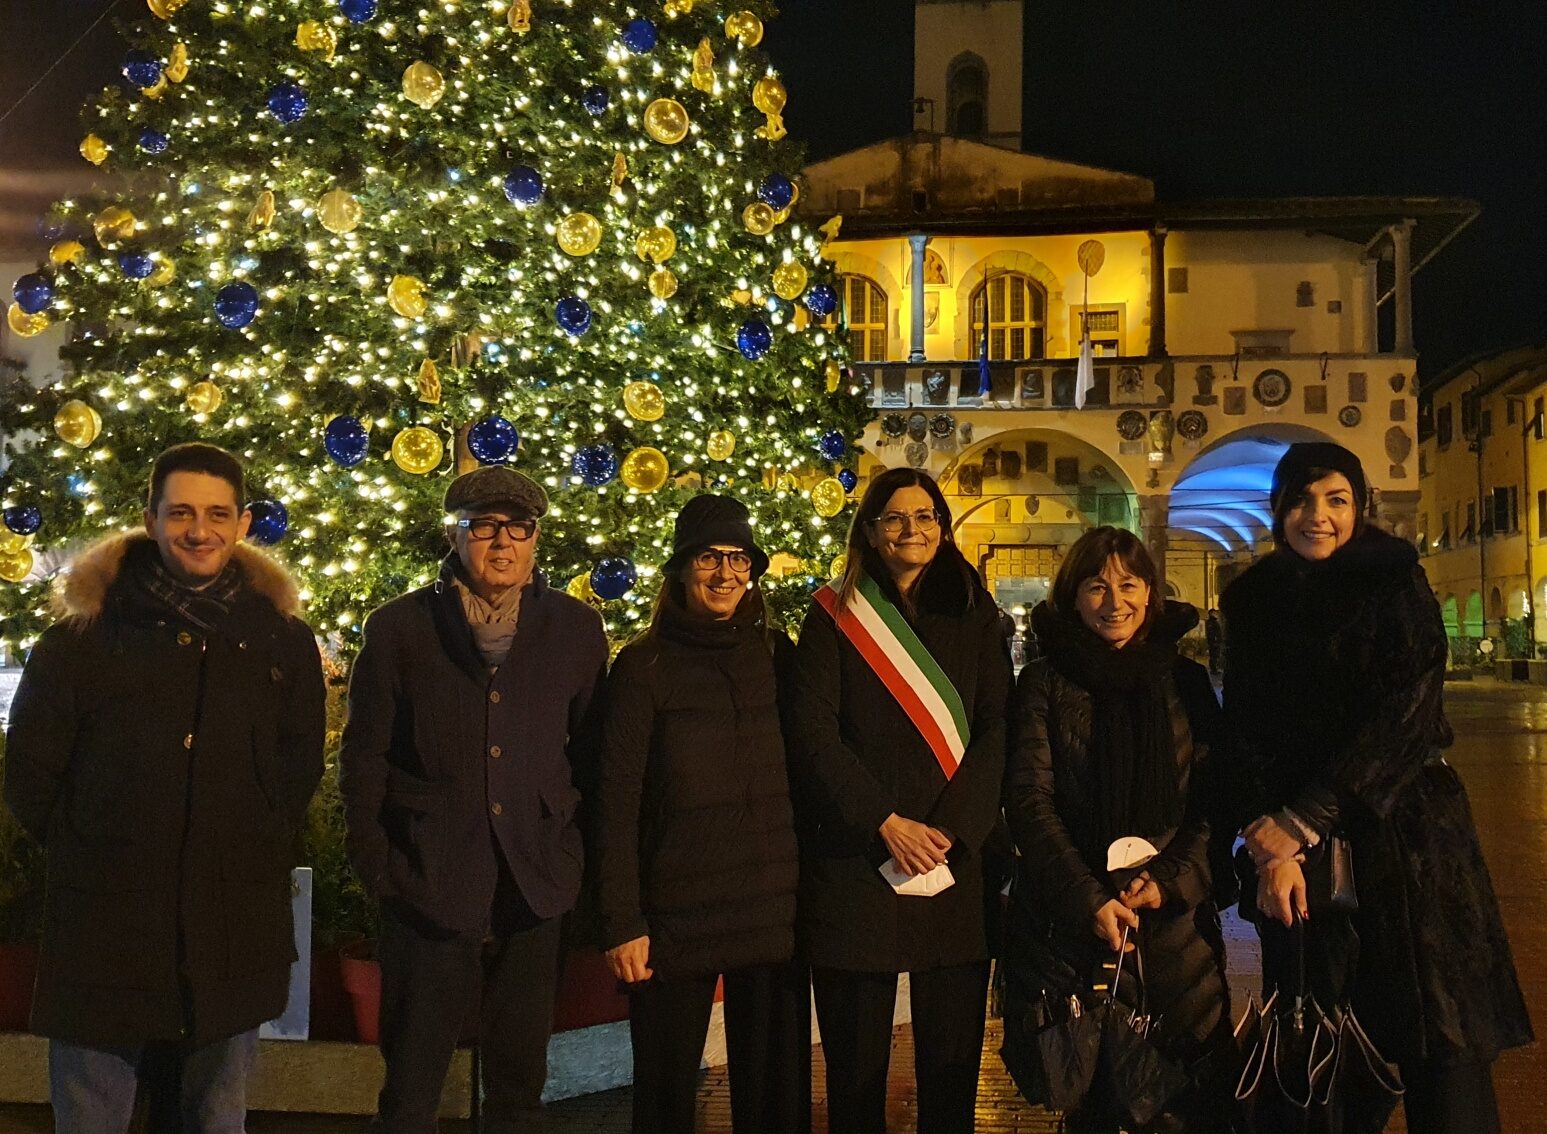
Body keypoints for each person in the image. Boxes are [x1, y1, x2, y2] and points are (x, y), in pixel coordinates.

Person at [4, 442, 325, 1133]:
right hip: (105, 927)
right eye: (180, 512)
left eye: (216, 513)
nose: (198, 530)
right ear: (150, 519)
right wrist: (96, 847)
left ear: (242, 524)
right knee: (92, 1118)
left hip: (230, 923)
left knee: (215, 1119)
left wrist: (257, 839)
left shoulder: (280, 641)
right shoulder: (81, 639)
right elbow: (30, 774)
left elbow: (299, 764)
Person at [1223, 442, 1532, 1134]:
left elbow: (1408, 711)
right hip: (1298, 860)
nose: (1317, 516)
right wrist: (1268, 846)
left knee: (1437, 1039)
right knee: (1318, 1045)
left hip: (1408, 840)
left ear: (1360, 507)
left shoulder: (1394, 581)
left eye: (1336, 499)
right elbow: (1239, 731)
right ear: (1276, 508)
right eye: (1301, 499)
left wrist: (1307, 815)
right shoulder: (1252, 600)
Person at [340, 466, 608, 1134]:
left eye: (518, 528)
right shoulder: (400, 628)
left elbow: (594, 756)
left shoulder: (575, 629)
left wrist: (573, 861)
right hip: (429, 880)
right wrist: (380, 865)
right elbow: (365, 754)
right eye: (484, 526)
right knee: (410, 1091)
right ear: (455, 536)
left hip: (533, 882)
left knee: (518, 1092)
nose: (502, 543)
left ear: (535, 540)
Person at [785, 467, 1012, 1134]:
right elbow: (812, 731)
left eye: (925, 516)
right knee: (854, 1077)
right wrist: (883, 821)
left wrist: (953, 831)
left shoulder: (977, 613)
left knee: (949, 1069)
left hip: (952, 862)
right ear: (871, 531)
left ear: (941, 529)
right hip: (858, 862)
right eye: (894, 517)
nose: (911, 530)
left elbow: (999, 724)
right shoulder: (832, 613)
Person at [1002, 526, 1230, 1133]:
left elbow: (1215, 799)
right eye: (1096, 586)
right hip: (1078, 936)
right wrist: (1088, 897)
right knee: (1095, 1108)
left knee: (1187, 1102)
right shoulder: (1045, 683)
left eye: (1129, 584)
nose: (1114, 601)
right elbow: (1029, 799)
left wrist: (1171, 880)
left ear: (1151, 593)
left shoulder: (1184, 682)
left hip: (1176, 938)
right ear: (1071, 597)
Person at [595, 494, 809, 1134]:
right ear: (682, 570)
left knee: (773, 1097)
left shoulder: (777, 655)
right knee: (662, 1096)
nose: (725, 574)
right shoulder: (643, 666)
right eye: (709, 558)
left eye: (738, 559)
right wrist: (621, 920)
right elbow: (615, 800)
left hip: (768, 905)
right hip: (675, 916)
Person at [1203, 608, 1223, 675]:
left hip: (1215, 642)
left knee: (1215, 656)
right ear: (1211, 613)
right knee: (1214, 656)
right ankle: (1213, 670)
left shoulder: (1213, 621)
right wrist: (1215, 641)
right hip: (1214, 643)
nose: (1216, 614)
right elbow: (1211, 633)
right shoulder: (1211, 622)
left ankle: (1214, 669)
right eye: (1214, 612)